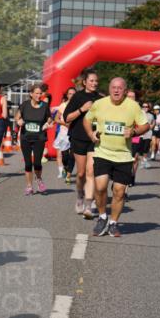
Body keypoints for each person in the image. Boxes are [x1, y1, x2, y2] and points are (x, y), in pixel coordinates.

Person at [83, 77, 149, 237]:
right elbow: (86, 120)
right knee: (100, 187)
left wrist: (134, 132)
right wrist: (91, 134)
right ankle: (102, 216)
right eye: (113, 87)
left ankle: (113, 222)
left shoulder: (133, 106)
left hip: (124, 156)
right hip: (103, 152)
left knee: (119, 192)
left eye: (120, 88)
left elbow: (145, 125)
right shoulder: (100, 104)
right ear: (109, 89)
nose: (116, 90)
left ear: (125, 91)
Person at [62, 68, 102, 218]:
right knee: (81, 174)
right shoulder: (78, 97)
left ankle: (88, 205)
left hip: (94, 139)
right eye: (91, 80)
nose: (94, 83)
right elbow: (67, 118)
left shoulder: (101, 99)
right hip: (78, 138)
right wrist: (82, 109)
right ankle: (80, 196)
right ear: (85, 82)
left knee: (91, 172)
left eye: (96, 81)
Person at [15, 84, 52, 195]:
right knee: (27, 163)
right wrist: (18, 121)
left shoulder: (45, 106)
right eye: (36, 93)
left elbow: (49, 118)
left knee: (37, 162)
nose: (38, 95)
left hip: (39, 137)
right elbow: (17, 116)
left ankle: (39, 179)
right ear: (31, 94)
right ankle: (29, 186)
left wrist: (47, 123)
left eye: (40, 93)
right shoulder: (25, 105)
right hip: (26, 137)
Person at [54, 88, 75, 183]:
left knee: (72, 155)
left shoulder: (79, 106)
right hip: (64, 133)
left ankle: (69, 176)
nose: (72, 95)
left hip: (75, 133)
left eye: (74, 94)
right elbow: (56, 119)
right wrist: (64, 124)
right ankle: (65, 168)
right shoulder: (63, 105)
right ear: (67, 95)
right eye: (70, 94)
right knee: (65, 156)